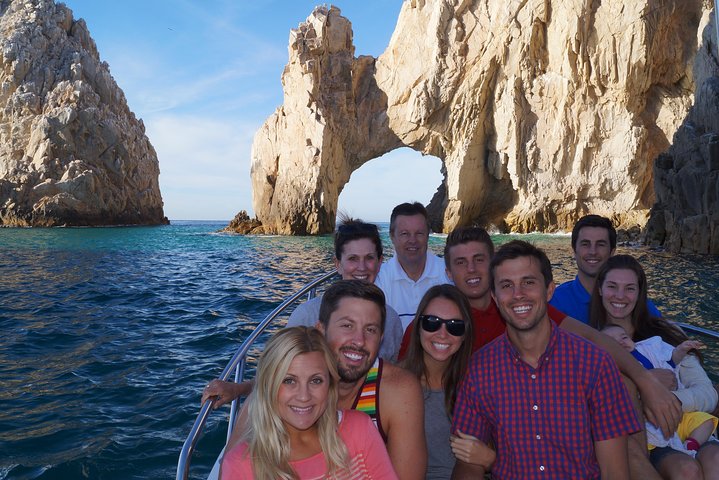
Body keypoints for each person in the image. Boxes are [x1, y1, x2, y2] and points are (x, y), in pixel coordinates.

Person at [397, 226, 681, 446]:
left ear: (493, 263)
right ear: (448, 272)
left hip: (543, 411)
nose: (471, 269)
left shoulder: (521, 309)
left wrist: (645, 380)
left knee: (624, 386)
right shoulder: (434, 325)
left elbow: (593, 339)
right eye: (461, 262)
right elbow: (405, 381)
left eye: (479, 259)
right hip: (483, 426)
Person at [452, 240, 641, 479]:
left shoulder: (595, 364)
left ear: (549, 290)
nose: (518, 294)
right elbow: (468, 463)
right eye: (507, 285)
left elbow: (614, 472)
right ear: (495, 298)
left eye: (528, 282)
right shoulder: (479, 370)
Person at [205, 280, 427, 480]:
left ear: (381, 338)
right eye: (347, 325)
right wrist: (241, 388)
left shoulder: (387, 400)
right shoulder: (262, 410)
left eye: (370, 329)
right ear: (320, 330)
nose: (359, 341)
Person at [590, 254, 719, 479]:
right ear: (600, 289)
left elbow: (707, 393)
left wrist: (665, 399)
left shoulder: (667, 334)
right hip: (650, 441)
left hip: (689, 427)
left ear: (640, 293)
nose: (620, 295)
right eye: (612, 286)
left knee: (715, 459)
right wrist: (644, 388)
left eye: (629, 288)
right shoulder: (589, 346)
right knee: (687, 471)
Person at [220, 326, 398, 479]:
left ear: (330, 385)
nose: (304, 396)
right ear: (268, 386)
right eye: (289, 381)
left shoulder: (360, 429)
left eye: (316, 381)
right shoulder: (241, 465)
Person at [400, 284, 495, 479]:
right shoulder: (393, 384)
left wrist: (491, 460)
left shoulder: (478, 385)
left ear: (465, 334)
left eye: (454, 326)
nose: (442, 334)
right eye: (432, 322)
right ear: (418, 327)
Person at [287, 217, 403, 362]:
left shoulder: (391, 321)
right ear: (338, 264)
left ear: (379, 263)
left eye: (369, 258)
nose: (362, 267)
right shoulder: (307, 316)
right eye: (353, 258)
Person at [602, 324, 718, 460]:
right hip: (650, 424)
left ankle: (691, 445)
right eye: (612, 342)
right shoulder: (610, 367)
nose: (621, 342)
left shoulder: (648, 352)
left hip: (677, 415)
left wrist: (681, 349)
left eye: (624, 337)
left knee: (706, 421)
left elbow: (670, 362)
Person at [550, 214, 661, 324]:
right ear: (574, 250)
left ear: (612, 252)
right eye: (585, 244)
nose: (593, 252)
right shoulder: (555, 302)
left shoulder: (640, 306)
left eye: (601, 244)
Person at [374, 202, 449, 330]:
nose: (412, 240)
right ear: (392, 236)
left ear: (428, 235)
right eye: (404, 234)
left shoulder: (448, 273)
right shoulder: (380, 278)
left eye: (419, 233)